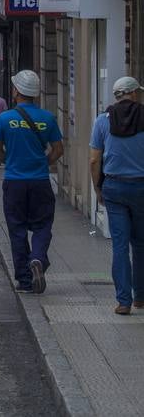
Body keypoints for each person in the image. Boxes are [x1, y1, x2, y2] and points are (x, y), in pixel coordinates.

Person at [0, 70, 63, 294]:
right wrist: (42, 163)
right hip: (40, 181)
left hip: (15, 182)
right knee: (43, 225)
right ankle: (38, 258)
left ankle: (24, 280)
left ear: (16, 92)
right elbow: (58, 150)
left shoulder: (5, 119)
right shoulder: (48, 118)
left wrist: (10, 161)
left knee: (17, 229)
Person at [90, 76, 144, 315]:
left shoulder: (103, 121)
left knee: (119, 245)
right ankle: (140, 297)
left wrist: (97, 188)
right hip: (141, 187)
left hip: (114, 186)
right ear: (134, 94)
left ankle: (123, 301)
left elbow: (94, 159)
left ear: (117, 95)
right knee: (141, 244)